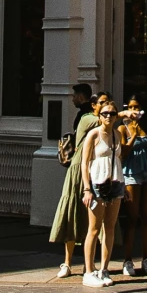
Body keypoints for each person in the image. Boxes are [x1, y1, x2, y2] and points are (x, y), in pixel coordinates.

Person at [49, 83, 97, 277]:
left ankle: (77, 263)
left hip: (87, 168)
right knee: (79, 215)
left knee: (80, 216)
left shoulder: (86, 117)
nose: (72, 98)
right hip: (81, 167)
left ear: (83, 97)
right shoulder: (87, 117)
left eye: (75, 95)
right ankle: (76, 263)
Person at [77, 95, 125, 289]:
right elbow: (84, 162)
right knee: (94, 229)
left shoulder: (117, 134)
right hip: (97, 183)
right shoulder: (94, 135)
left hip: (115, 182)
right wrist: (87, 189)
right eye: (105, 113)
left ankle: (104, 268)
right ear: (99, 114)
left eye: (112, 114)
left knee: (110, 228)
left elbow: (120, 158)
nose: (109, 117)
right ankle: (89, 271)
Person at [118, 97, 147, 276]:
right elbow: (123, 153)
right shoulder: (121, 128)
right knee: (132, 217)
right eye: (131, 107)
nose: (134, 111)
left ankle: (146, 258)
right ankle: (127, 260)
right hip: (131, 173)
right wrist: (132, 133)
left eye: (137, 107)